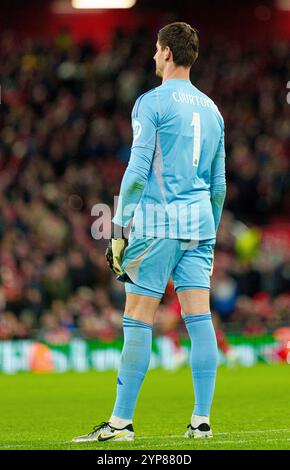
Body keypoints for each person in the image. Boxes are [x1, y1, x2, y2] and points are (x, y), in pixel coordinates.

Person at [73, 21, 226, 443]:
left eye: (157, 50)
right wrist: (208, 229)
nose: (154, 56)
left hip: (159, 223)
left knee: (138, 318)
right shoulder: (212, 110)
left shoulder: (151, 103)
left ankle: (121, 424)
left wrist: (119, 230)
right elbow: (219, 184)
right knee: (199, 319)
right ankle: (201, 421)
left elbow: (137, 172)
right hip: (200, 225)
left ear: (167, 53)